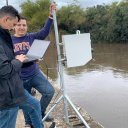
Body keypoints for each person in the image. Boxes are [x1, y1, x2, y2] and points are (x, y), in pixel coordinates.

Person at [12, 2, 56, 125]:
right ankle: (28, 122)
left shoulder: (31, 37)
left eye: (24, 25)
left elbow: (44, 31)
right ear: (14, 26)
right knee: (27, 102)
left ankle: (40, 113)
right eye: (19, 25)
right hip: (19, 78)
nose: (21, 27)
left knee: (49, 91)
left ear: (27, 27)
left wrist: (50, 16)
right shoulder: (9, 41)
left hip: (34, 73)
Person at [0, 5, 27, 128]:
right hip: (6, 98)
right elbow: (4, 69)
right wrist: (18, 61)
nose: (13, 28)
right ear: (6, 19)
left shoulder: (3, 34)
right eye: (14, 24)